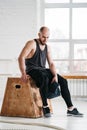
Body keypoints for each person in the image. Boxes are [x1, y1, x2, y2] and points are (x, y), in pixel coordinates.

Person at [18, 26, 83, 117]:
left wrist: (55, 76)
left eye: (48, 37)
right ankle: (45, 106)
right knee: (44, 78)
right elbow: (21, 57)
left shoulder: (47, 47)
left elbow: (51, 63)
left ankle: (70, 108)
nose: (46, 39)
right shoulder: (31, 43)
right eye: (44, 37)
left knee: (63, 81)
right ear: (39, 34)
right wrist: (23, 73)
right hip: (32, 70)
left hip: (43, 70)